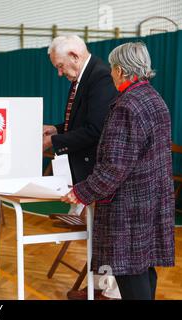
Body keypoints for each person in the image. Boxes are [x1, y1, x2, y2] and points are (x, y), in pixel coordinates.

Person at [62, 42, 175, 300]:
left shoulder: (127, 105)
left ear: (121, 71)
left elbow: (115, 166)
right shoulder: (154, 98)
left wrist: (80, 192)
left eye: (113, 68)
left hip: (130, 207)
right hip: (152, 201)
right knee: (145, 267)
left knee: (130, 270)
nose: (111, 73)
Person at [45, 35, 119, 299]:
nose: (59, 72)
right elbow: (80, 122)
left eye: (61, 65)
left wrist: (53, 141)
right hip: (88, 169)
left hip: (98, 170)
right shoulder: (83, 76)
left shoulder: (99, 77)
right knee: (98, 234)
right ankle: (98, 288)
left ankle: (109, 293)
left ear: (75, 56)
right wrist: (56, 128)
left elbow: (95, 130)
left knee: (105, 235)